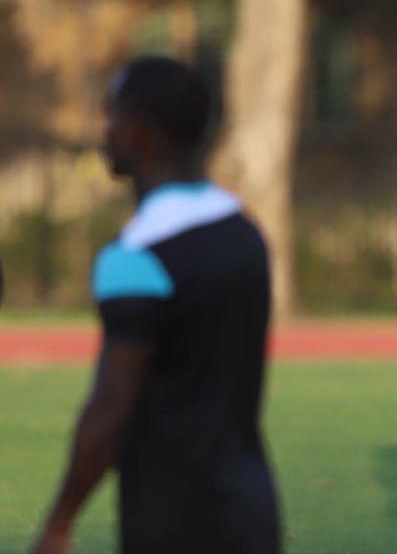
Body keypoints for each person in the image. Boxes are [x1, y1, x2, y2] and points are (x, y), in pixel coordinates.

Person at [30, 57, 281, 554]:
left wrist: (59, 521)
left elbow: (110, 407)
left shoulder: (134, 257)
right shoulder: (245, 234)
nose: (105, 132)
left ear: (141, 133)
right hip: (252, 508)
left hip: (171, 516)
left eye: (112, 116)